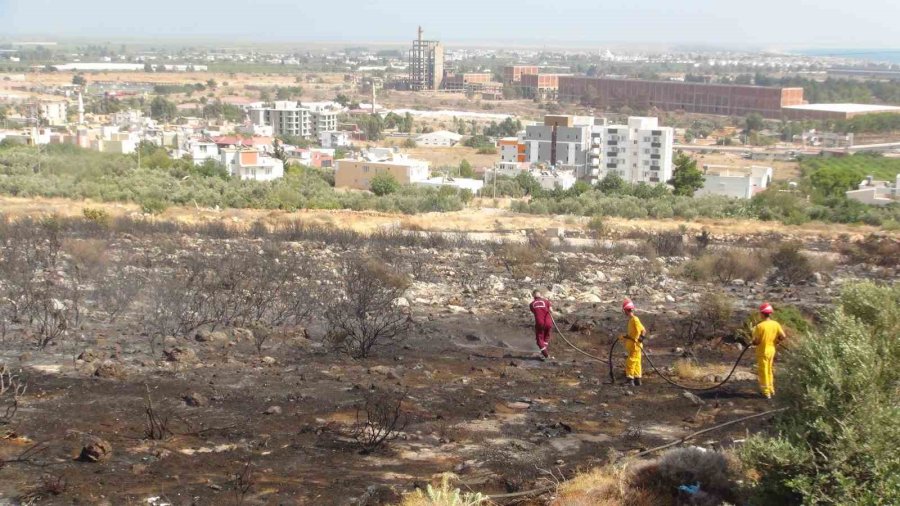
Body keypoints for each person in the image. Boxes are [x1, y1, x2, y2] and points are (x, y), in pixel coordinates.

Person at [752, 302, 786, 399]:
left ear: (762, 313)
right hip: (772, 350)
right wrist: (777, 341)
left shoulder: (760, 326)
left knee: (763, 371)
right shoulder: (775, 324)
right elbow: (783, 336)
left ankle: (766, 392)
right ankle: (771, 389)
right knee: (770, 370)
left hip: (762, 351)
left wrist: (753, 342)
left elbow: (757, 341)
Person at [620, 298, 646, 386]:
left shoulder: (635, 320)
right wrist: (625, 337)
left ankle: (630, 380)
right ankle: (637, 380)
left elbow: (643, 331)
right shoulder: (633, 320)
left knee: (630, 362)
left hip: (634, 346)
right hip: (635, 345)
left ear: (626, 310)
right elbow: (635, 333)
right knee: (637, 362)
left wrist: (639, 340)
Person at [529, 290, 554, 361]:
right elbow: (551, 311)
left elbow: (534, 311)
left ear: (533, 295)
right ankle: (543, 352)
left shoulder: (531, 304)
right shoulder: (546, 301)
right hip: (549, 322)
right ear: (540, 294)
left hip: (540, 323)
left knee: (539, 339)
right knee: (546, 337)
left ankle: (546, 355)